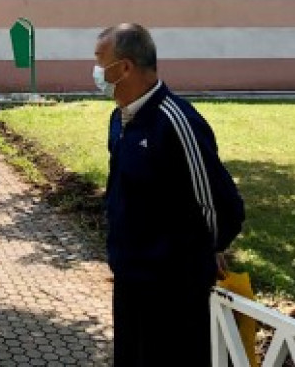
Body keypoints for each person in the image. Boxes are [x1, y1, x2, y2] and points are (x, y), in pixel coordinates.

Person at [95, 23, 244, 366]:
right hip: (129, 281)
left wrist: (206, 250)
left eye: (101, 61)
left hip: (172, 293)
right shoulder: (119, 120)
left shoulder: (177, 122)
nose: (96, 71)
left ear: (125, 67)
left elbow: (222, 206)